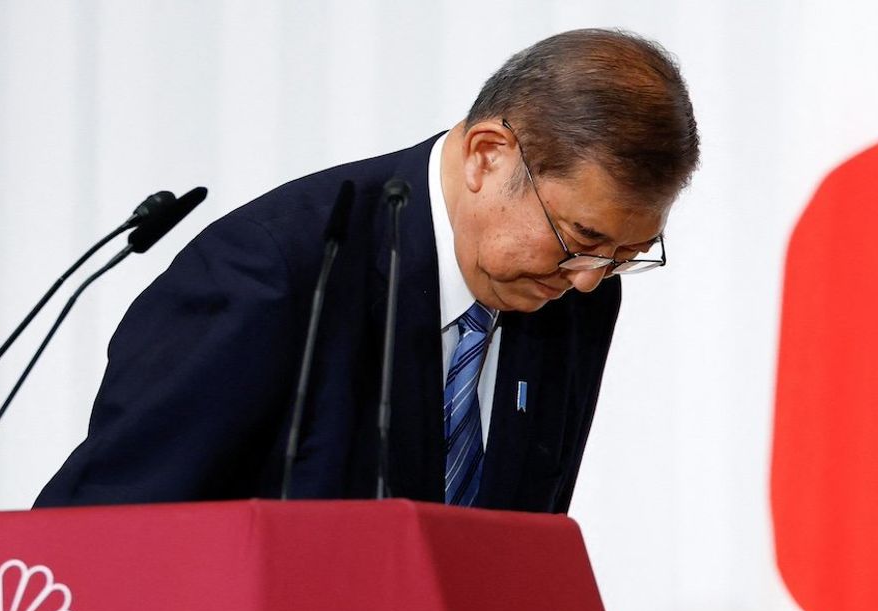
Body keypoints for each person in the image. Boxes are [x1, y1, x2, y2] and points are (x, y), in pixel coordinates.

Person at [35, 28, 700, 513]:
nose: (588, 278)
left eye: (624, 256)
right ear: (487, 156)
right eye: (580, 237)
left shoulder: (573, 290)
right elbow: (105, 533)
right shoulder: (274, 269)